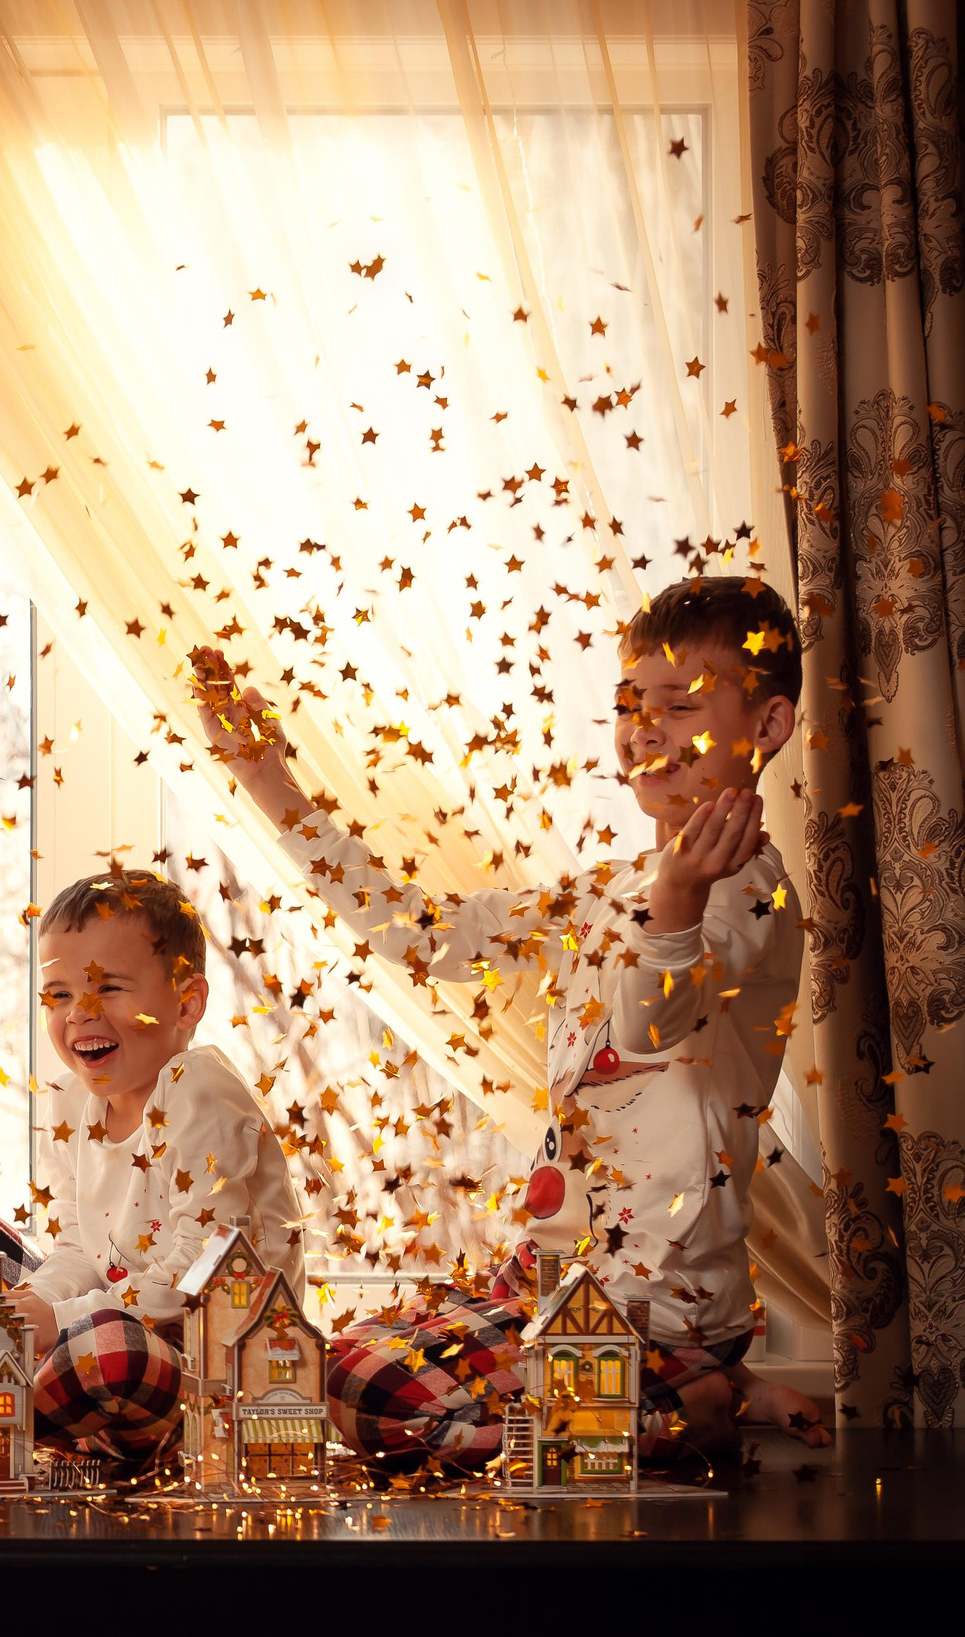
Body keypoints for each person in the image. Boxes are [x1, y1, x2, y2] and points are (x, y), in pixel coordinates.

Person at [196, 575, 830, 1464]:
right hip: (550, 1278)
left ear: (765, 727)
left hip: (656, 1297)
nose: (644, 726)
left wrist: (679, 900)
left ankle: (681, 1403)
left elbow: (648, 1030)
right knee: (323, 1369)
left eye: (679, 705)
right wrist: (268, 782)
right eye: (627, 703)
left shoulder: (749, 893)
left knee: (375, 1396)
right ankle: (691, 1400)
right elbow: (424, 936)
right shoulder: (601, 892)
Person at [0, 866, 301, 1480]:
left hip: (200, 1380)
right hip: (95, 1335)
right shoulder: (72, 1105)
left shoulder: (197, 1092)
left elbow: (202, 1279)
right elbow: (79, 1254)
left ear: (186, 1002)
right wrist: (23, 1306)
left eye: (110, 988)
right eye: (60, 994)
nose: (80, 1014)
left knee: (107, 1344)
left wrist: (54, 1322)